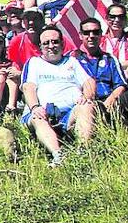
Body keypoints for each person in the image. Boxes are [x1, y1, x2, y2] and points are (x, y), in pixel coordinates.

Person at [21, 25, 97, 166]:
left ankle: (83, 152)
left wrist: (86, 97)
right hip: (43, 111)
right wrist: (35, 107)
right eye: (46, 43)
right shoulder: (34, 63)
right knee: (38, 117)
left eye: (55, 42)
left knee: (87, 107)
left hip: (69, 113)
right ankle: (58, 155)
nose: (51, 46)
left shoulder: (73, 62)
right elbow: (28, 87)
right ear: (40, 46)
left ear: (62, 43)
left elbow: (89, 82)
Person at [72, 18, 128, 127]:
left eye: (95, 32)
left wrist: (109, 102)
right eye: (86, 33)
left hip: (111, 102)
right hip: (86, 104)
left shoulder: (110, 58)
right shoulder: (72, 59)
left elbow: (121, 85)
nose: (91, 36)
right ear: (80, 35)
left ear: (100, 34)